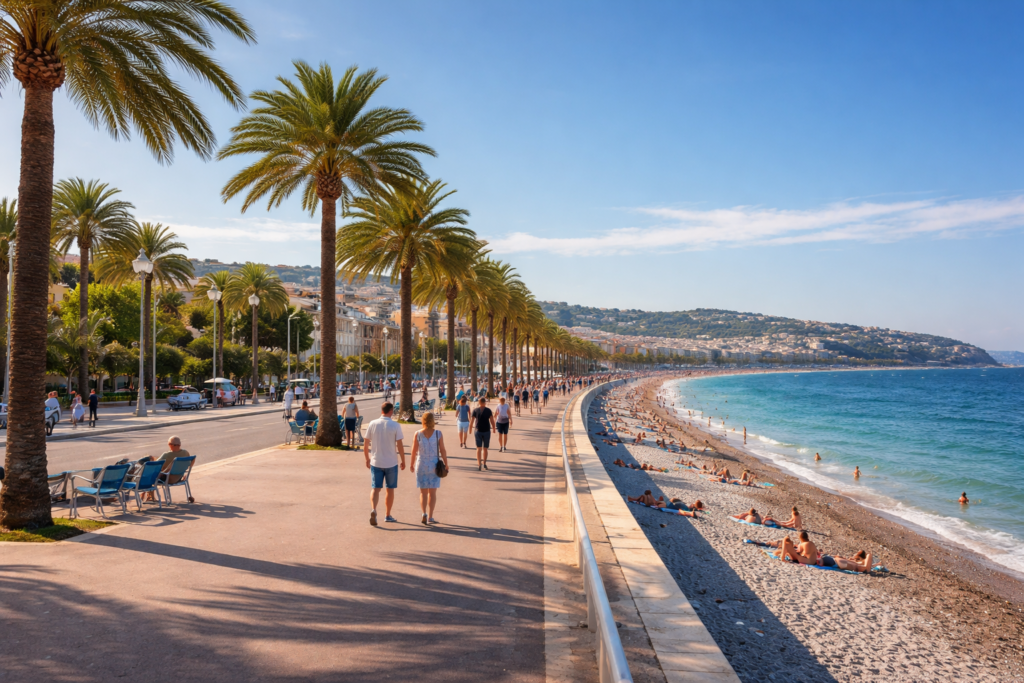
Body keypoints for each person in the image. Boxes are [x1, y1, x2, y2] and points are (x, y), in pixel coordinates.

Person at [363, 402, 406, 526]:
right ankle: (387, 515)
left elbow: (366, 443)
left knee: (375, 489)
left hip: (376, 461)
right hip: (391, 462)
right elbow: (400, 445)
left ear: (381, 410)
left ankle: (373, 509)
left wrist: (367, 458)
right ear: (391, 411)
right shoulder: (395, 425)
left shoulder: (372, 423)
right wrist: (403, 460)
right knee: (390, 489)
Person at [410, 411, 448, 525]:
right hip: (434, 465)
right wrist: (446, 463)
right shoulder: (438, 434)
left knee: (423, 493)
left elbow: (414, 451)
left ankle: (424, 513)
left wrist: (411, 464)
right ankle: (430, 516)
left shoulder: (417, 434)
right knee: (432, 492)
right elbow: (442, 450)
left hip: (421, 464)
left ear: (423, 421)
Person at [469, 397, 496, 471]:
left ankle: (479, 464)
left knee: (478, 448)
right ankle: (484, 463)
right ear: (485, 402)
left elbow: (472, 421)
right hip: (486, 430)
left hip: (478, 430)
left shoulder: (475, 410)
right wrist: (494, 428)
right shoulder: (488, 410)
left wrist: (470, 429)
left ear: (479, 402)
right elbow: (492, 420)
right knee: (485, 448)